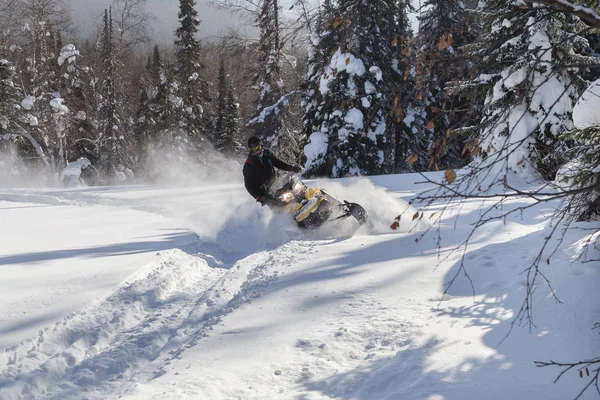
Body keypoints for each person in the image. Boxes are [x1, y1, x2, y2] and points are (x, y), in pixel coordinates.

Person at [243, 136, 302, 206]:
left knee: (292, 185)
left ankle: (306, 195)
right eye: (254, 148)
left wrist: (292, 168)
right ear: (250, 149)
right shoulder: (249, 165)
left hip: (277, 181)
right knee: (280, 204)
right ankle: (284, 215)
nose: (257, 150)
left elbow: (279, 163)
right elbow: (249, 185)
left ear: (261, 145)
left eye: (258, 146)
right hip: (266, 192)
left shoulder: (267, 153)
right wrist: (260, 197)